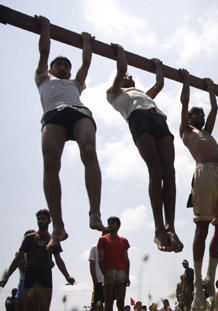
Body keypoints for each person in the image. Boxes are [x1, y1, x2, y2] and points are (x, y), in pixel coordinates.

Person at [33, 15, 104, 248]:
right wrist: (45, 28)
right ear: (52, 69)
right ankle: (58, 226)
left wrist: (86, 41)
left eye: (66, 66)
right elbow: (44, 52)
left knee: (89, 151)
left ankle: (95, 213)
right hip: (54, 114)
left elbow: (86, 62)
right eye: (59, 65)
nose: (63, 68)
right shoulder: (43, 78)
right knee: (50, 161)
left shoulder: (75, 84)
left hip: (78, 112)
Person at [107, 43, 182, 252]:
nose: (129, 76)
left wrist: (158, 65)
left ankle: (171, 226)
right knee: (155, 168)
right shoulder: (114, 94)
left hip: (157, 118)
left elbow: (159, 84)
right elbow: (121, 69)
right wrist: (120, 51)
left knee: (170, 171)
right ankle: (159, 228)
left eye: (131, 76)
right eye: (126, 76)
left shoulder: (144, 94)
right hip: (139, 119)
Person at [179, 69, 218, 310]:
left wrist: (211, 91)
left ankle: (209, 278)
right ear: (189, 119)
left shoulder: (208, 132)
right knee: (202, 225)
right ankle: (198, 285)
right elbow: (184, 103)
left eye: (200, 114)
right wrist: (187, 83)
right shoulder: (186, 132)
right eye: (195, 114)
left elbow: (215, 110)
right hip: (204, 172)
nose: (199, 116)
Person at [8, 209, 75, 311]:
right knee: (30, 308)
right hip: (31, 274)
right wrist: (7, 276)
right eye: (39, 219)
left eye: (43, 219)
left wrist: (67, 276)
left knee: (44, 308)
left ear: (49, 221)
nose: (40, 221)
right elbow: (18, 258)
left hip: (45, 274)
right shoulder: (29, 238)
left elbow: (58, 260)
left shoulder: (53, 239)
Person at [98, 216, 130, 311]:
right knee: (108, 300)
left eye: (113, 223)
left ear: (118, 226)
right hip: (109, 271)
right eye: (109, 223)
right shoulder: (103, 239)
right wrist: (105, 275)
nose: (110, 225)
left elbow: (126, 259)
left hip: (121, 272)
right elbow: (100, 259)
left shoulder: (123, 241)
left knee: (121, 300)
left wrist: (127, 275)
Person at [0, 230, 36, 311]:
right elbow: (23, 269)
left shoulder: (39, 252)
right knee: (20, 307)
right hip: (24, 281)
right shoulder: (20, 254)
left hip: (38, 283)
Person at [89, 229, 109, 311]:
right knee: (96, 304)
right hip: (99, 280)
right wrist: (94, 278)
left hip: (110, 279)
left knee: (109, 302)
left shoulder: (113, 247)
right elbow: (92, 264)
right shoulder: (94, 248)